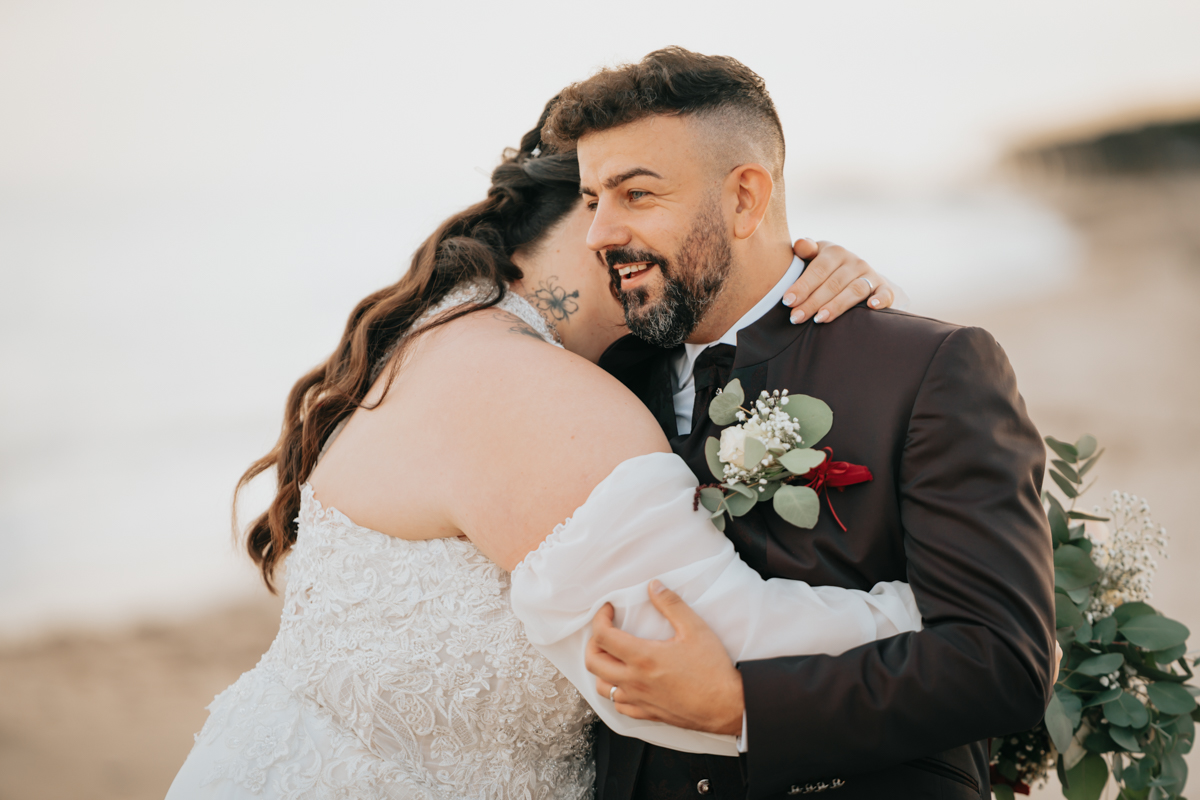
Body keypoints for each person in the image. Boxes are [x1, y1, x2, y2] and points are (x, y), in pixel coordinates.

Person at [163, 96, 919, 799]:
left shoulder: (458, 331)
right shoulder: (525, 387)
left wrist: (813, 297)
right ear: (576, 209)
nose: (628, 232)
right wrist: (948, 627)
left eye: (646, 198)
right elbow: (690, 659)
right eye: (611, 200)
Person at [536, 47, 1056, 800]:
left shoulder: (929, 369)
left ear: (746, 198)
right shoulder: (598, 382)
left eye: (636, 194)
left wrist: (742, 708)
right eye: (591, 202)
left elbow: (1001, 661)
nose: (599, 234)